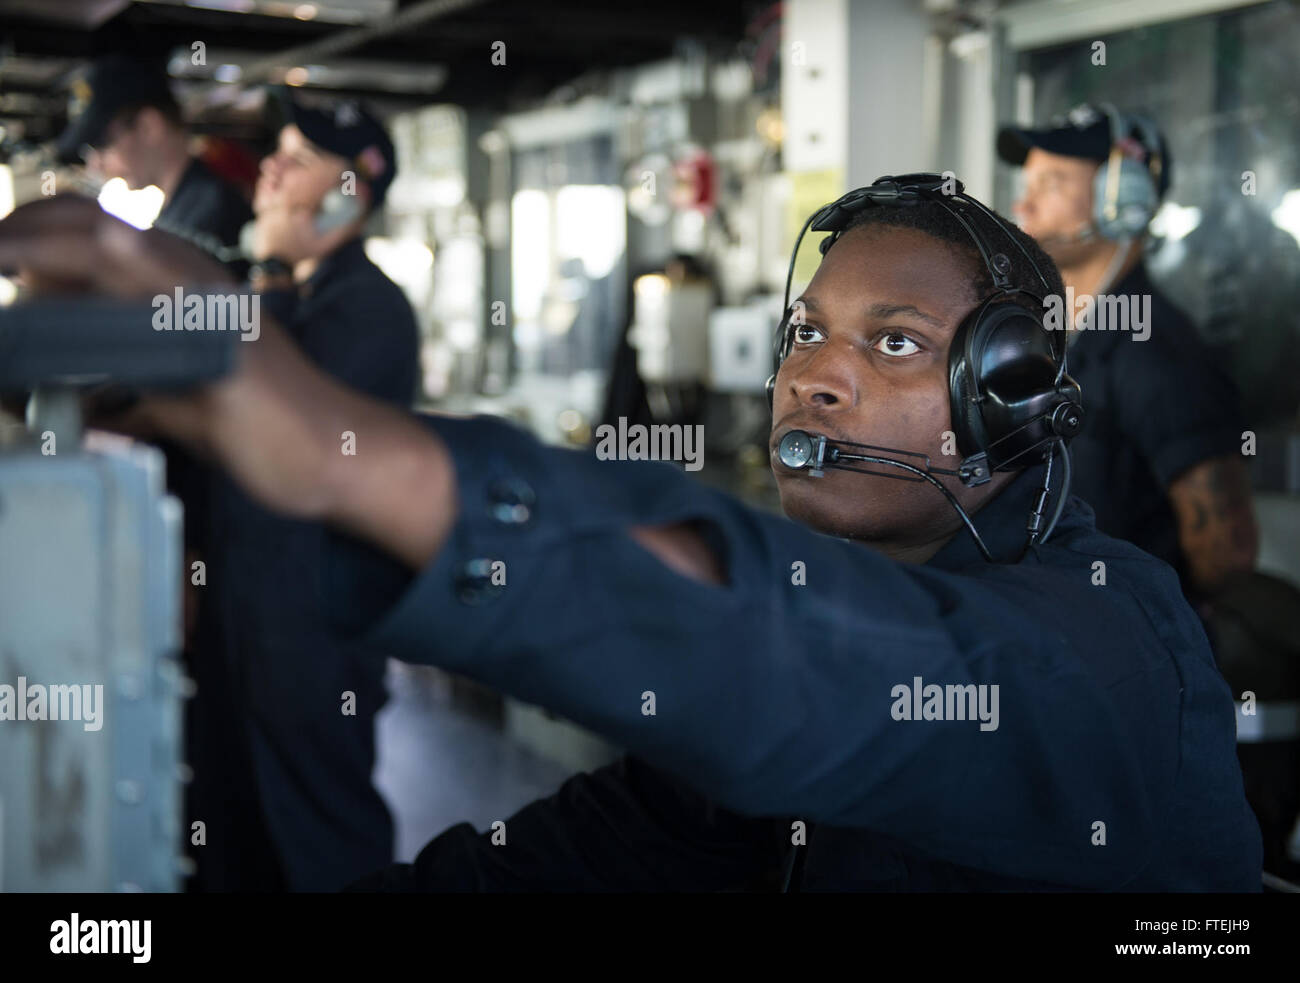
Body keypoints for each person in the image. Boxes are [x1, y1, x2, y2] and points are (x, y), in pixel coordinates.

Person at [0, 177, 1261, 891]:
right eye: (804, 332)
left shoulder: (1111, 638)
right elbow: (565, 870)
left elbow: (833, 665)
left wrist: (359, 454)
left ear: (1009, 396)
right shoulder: (761, 702)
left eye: (891, 344)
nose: (813, 378)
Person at [179, 90, 419, 891]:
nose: (272, 164)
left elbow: (276, 423)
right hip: (240, 616)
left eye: (302, 156)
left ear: (351, 193)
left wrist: (276, 267)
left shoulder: (371, 309)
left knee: (320, 841)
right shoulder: (281, 292)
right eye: (276, 146)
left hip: (313, 635)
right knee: (228, 831)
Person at [998, 104, 1257, 601]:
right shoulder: (1050, 337)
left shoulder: (1159, 351)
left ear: (1124, 200)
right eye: (1027, 184)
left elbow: (1228, 552)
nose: (1023, 206)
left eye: (1051, 184)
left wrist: (1146, 642)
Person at [59, 52, 252, 276]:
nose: (95, 166)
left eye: (103, 145)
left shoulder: (209, 215)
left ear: (149, 127)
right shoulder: (186, 209)